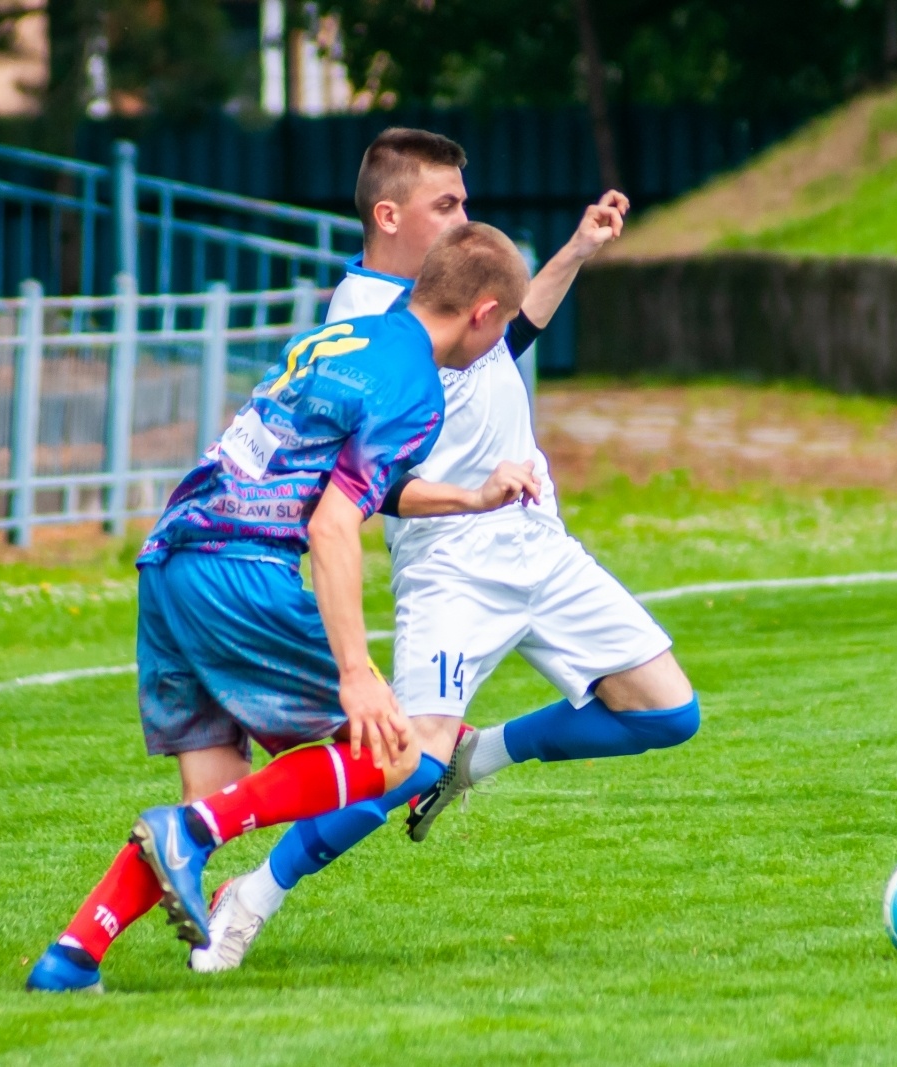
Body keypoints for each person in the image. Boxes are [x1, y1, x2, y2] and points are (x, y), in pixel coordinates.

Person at [191, 128, 699, 974]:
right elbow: (360, 491)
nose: (465, 215)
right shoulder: (362, 320)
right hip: (452, 561)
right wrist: (471, 494)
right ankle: (254, 892)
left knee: (666, 710)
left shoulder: (450, 296)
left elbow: (510, 339)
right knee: (397, 766)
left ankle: (478, 754)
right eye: (447, 204)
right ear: (389, 215)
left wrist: (575, 250)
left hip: (539, 541)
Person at [25, 221, 535, 993]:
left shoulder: (350, 337)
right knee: (397, 752)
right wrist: (358, 672)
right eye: (501, 331)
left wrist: (469, 495)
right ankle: (186, 834)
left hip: (172, 558)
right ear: (485, 314)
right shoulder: (419, 388)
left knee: (218, 790)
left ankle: (69, 959)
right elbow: (334, 523)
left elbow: (352, 477)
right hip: (241, 567)